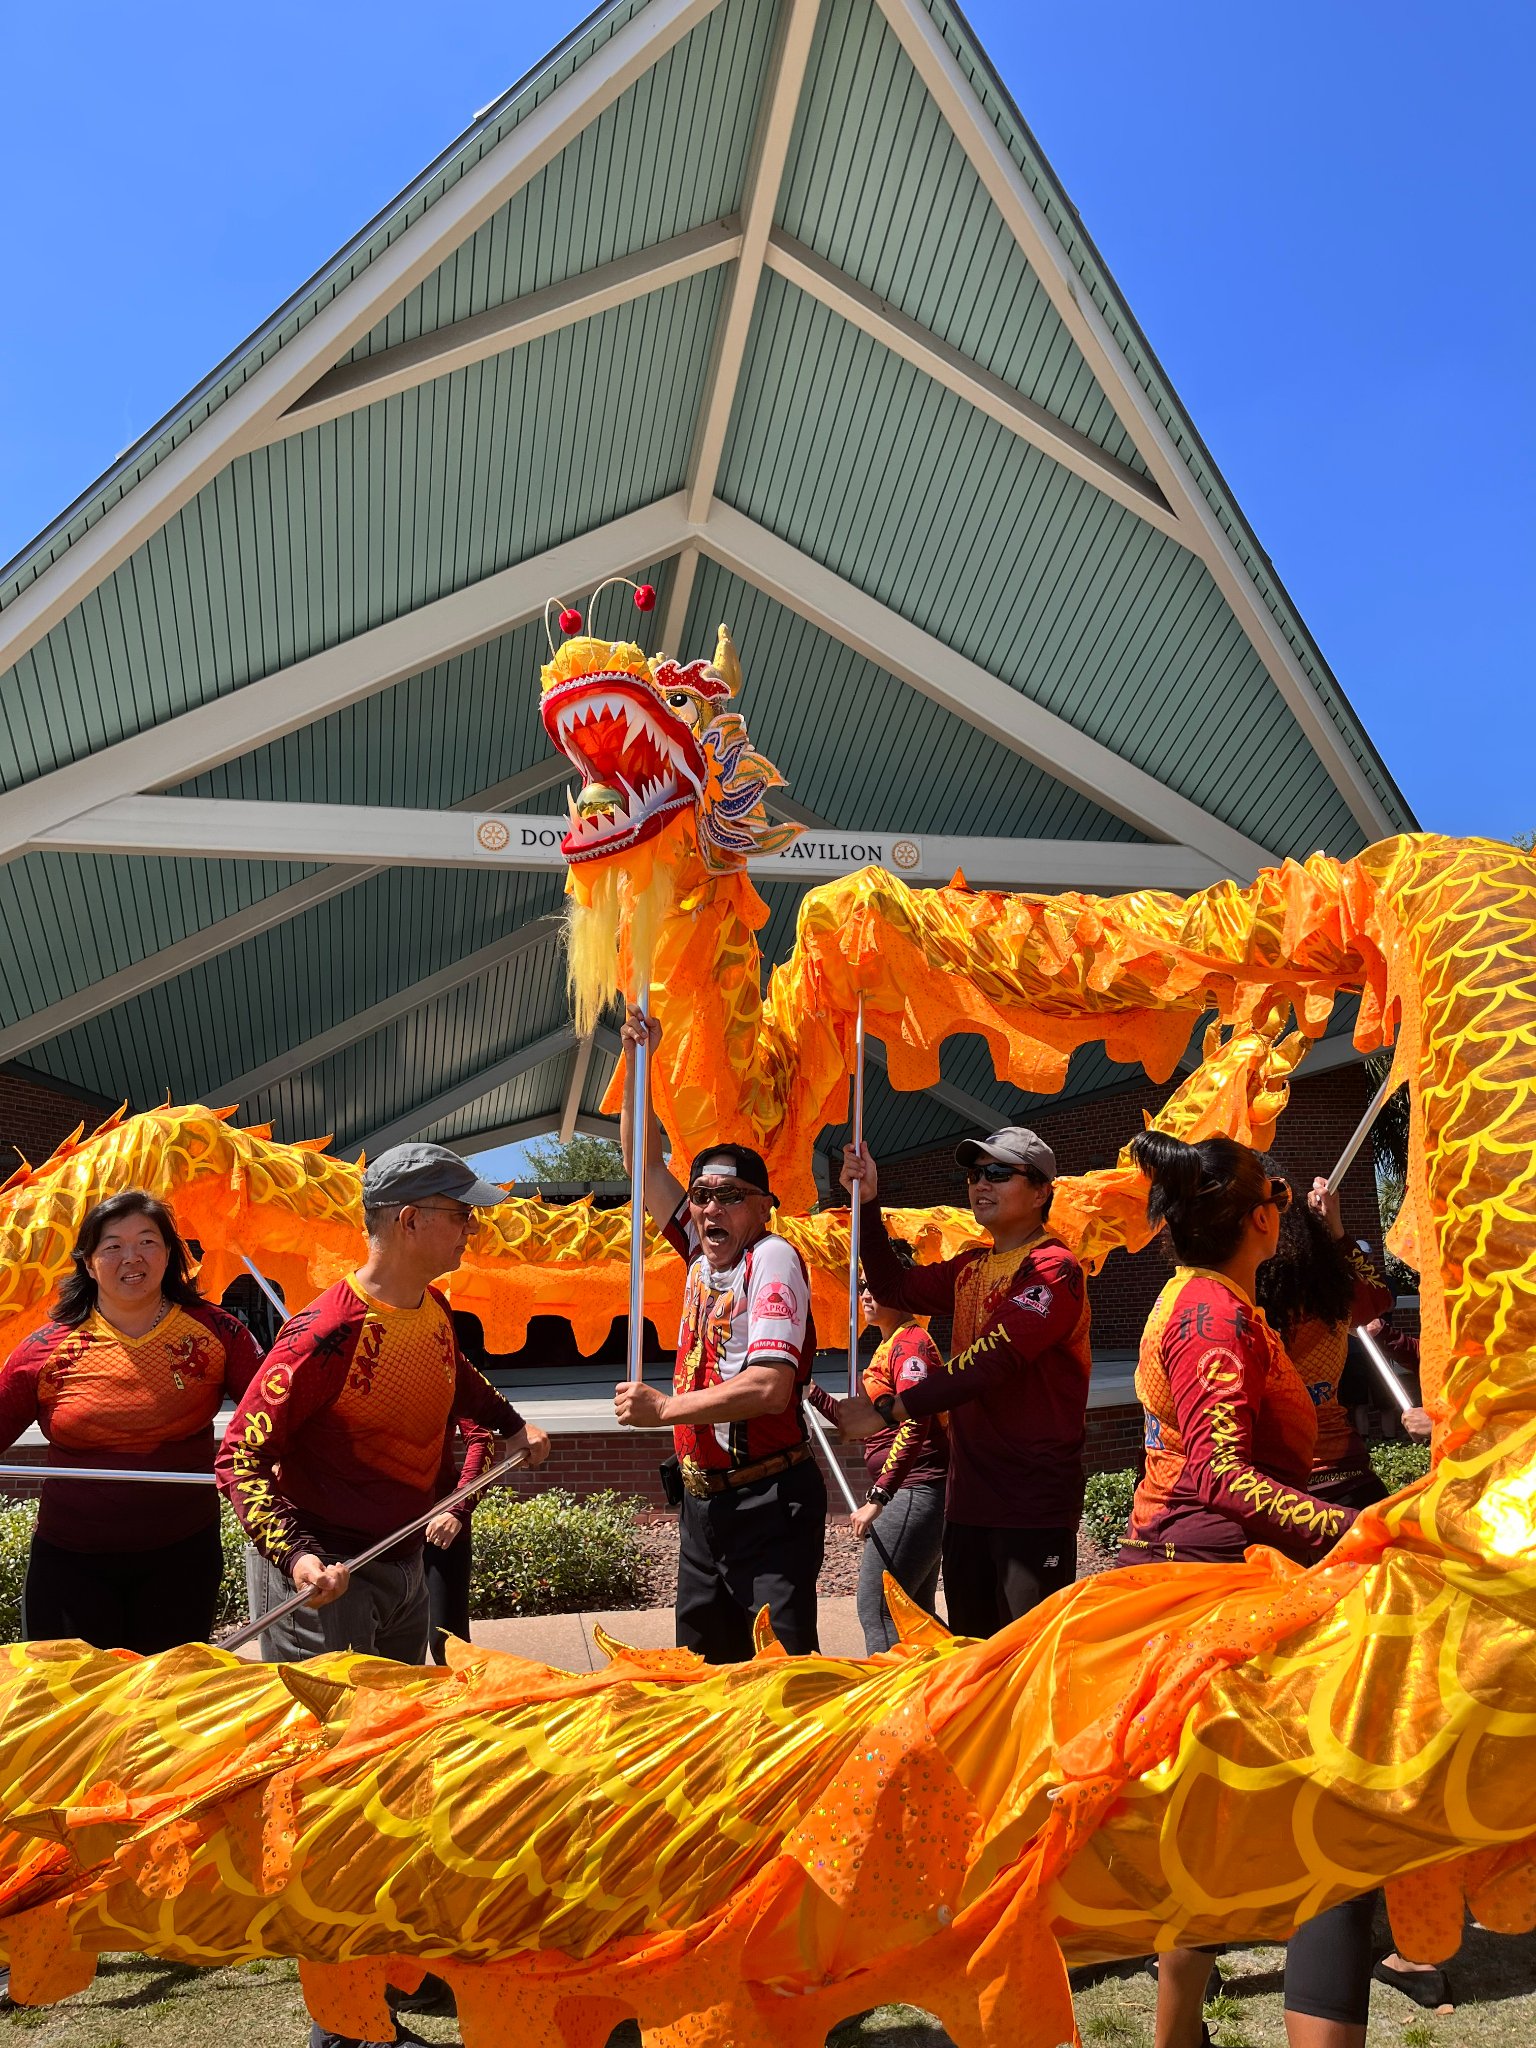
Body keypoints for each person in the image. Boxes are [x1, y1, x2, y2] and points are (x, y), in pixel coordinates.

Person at [1122, 1130, 1375, 2048]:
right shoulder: (1212, 1317)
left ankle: (1178, 2034)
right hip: (1216, 1592)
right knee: (1337, 1829)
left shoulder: (1214, 1302)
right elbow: (1221, 1478)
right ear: (1264, 1218)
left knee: (1217, 1823)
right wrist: (1353, 1530)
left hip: (1215, 1583)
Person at [217, 1142, 551, 1670]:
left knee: (394, 1728)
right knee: (336, 1739)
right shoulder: (325, 1334)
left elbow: (455, 1376)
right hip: (329, 1576)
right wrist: (298, 1556)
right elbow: (240, 1456)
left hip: (404, 1562)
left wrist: (511, 1426)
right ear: (410, 1220)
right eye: (462, 1214)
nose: (472, 1228)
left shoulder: (432, 1306)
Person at [612, 1004, 825, 1661]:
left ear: (763, 1207)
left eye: (730, 1196)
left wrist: (665, 1410)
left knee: (777, 1682)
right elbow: (643, 1165)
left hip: (769, 1502)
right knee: (704, 1676)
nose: (709, 1207)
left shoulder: (773, 1259)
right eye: (702, 1194)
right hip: (704, 1509)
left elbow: (767, 1388)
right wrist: (637, 1060)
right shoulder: (703, 1255)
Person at [838, 1128, 1091, 1636]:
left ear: (1041, 1190)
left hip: (1030, 1502)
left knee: (1025, 1662)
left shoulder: (1054, 1269)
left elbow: (988, 1361)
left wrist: (888, 1410)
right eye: (975, 1173)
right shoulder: (972, 1267)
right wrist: (867, 1204)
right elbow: (892, 1286)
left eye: (999, 1172)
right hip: (967, 1499)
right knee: (974, 1650)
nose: (981, 1183)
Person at [0, 1189, 263, 1653]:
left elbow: (274, 1419)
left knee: (161, 1708)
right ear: (87, 1261)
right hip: (69, 1563)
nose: (132, 1257)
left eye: (147, 1241)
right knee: (78, 1713)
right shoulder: (44, 1349)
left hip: (182, 1559)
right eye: (113, 1245)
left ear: (170, 1255)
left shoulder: (219, 1332)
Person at [808, 1245, 947, 1653]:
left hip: (916, 1491)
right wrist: (809, 1391)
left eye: (877, 1287)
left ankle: (892, 1703)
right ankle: (967, 1682)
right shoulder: (890, 1346)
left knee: (879, 1608)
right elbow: (860, 1426)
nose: (866, 1295)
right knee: (915, 1616)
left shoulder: (911, 1346)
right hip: (911, 1494)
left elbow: (917, 1419)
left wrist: (879, 1496)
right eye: (863, 1286)